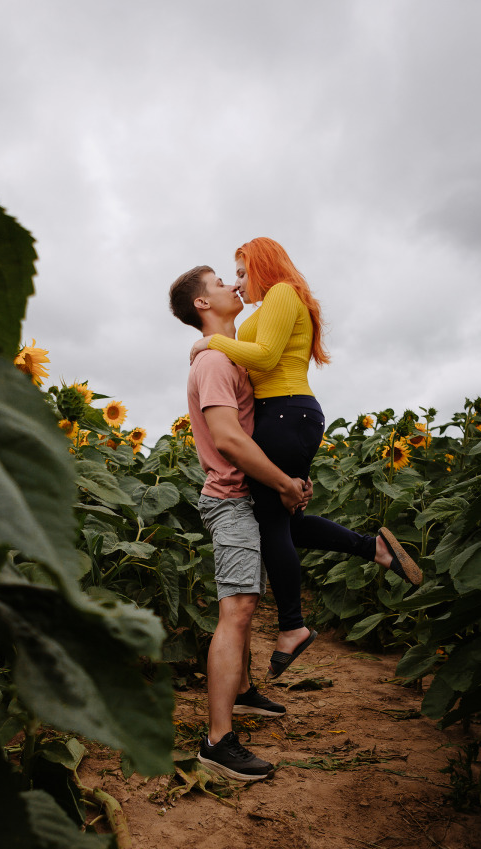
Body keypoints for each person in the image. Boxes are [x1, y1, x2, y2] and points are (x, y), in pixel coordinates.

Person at [189, 238, 422, 677]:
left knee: (274, 522)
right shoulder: (271, 305)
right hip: (286, 416)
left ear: (260, 265)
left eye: (241, 272)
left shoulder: (282, 294)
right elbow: (254, 363)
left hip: (286, 412)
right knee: (289, 521)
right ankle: (374, 548)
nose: (238, 284)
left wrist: (210, 344)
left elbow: (265, 356)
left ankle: (293, 627)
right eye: (231, 277)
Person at [169, 264, 311, 782]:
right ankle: (217, 741)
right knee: (239, 606)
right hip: (229, 500)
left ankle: (245, 690)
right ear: (203, 304)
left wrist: (284, 480)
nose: (234, 286)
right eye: (221, 284)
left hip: (247, 496)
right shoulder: (213, 365)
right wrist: (281, 482)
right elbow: (229, 438)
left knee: (247, 602)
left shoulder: (228, 357)